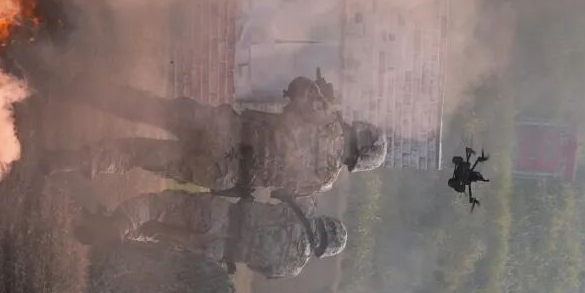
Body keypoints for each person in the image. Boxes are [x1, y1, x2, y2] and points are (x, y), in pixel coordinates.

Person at [47, 73, 387, 201]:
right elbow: (283, 191)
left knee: (153, 109)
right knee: (139, 154)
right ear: (357, 161)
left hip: (224, 129)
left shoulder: (326, 115)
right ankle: (70, 161)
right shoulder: (323, 182)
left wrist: (320, 91)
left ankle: (83, 87)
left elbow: (297, 86)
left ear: (360, 131)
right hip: (224, 172)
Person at [77, 188, 348, 280]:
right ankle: (106, 227)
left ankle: (113, 228)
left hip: (223, 215)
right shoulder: (294, 267)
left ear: (325, 223)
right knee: (157, 233)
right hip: (217, 252)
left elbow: (280, 191)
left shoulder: (305, 206)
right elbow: (258, 267)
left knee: (159, 207)